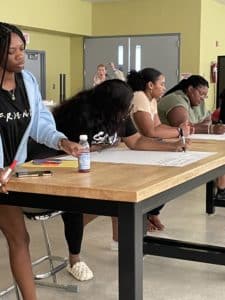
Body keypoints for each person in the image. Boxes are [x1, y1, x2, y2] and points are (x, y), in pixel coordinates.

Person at [28, 79, 190, 269]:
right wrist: (101, 146)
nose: (128, 111)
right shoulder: (81, 113)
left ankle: (118, 239)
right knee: (79, 208)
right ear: (110, 105)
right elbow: (68, 149)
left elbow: (136, 141)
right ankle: (75, 258)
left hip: (99, 165)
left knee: (125, 186)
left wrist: (171, 147)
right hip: (66, 168)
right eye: (125, 107)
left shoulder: (120, 113)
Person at [0, 22, 82, 300]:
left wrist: (61, 141)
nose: (20, 56)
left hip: (10, 177)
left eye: (22, 49)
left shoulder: (28, 82)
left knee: (19, 238)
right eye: (12, 51)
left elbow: (38, 125)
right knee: (18, 237)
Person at [126, 68, 191, 232]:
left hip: (148, 147)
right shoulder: (139, 97)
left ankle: (153, 212)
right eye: (161, 84)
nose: (164, 87)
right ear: (150, 85)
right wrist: (179, 132)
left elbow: (158, 126)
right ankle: (145, 215)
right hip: (135, 149)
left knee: (166, 178)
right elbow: (150, 132)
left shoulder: (152, 100)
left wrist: (179, 131)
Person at [157, 75, 225, 201]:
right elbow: (184, 127)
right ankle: (221, 189)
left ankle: (221, 189)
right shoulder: (175, 100)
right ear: (190, 89)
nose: (203, 98)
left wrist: (200, 127)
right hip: (167, 147)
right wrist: (209, 130)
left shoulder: (199, 102)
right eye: (201, 94)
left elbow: (207, 120)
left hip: (189, 143)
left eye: (205, 95)